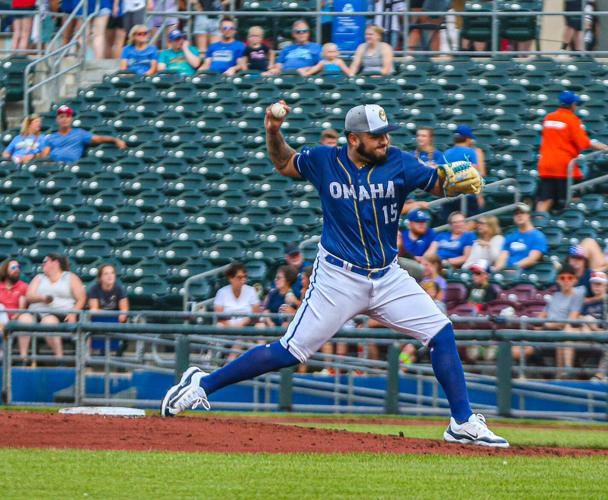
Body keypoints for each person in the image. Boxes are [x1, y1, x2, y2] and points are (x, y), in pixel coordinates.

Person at [160, 101, 508, 447]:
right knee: (290, 351)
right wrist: (273, 131)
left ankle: (462, 422)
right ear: (353, 139)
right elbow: (283, 162)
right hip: (338, 277)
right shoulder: (326, 160)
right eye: (376, 136)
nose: (385, 141)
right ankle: (201, 384)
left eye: (386, 134)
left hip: (387, 276)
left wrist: (454, 182)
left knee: (440, 331)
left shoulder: (399, 161)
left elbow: (436, 182)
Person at [536, 90, 608, 212]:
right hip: (564, 167)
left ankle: (539, 223)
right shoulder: (572, 119)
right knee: (574, 197)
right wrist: (601, 147)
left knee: (545, 199)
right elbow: (584, 143)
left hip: (546, 164)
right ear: (573, 105)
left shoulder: (548, 118)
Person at [17, 254, 86, 362]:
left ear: (56, 263)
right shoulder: (39, 278)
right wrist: (42, 298)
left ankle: (59, 358)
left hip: (61, 313)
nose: (43, 263)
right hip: (36, 312)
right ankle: (23, 358)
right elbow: (29, 296)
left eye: (46, 261)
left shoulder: (69, 277)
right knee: (24, 318)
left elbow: (81, 298)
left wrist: (73, 313)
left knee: (48, 321)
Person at [537, 264, 585, 377]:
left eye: (569, 278)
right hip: (547, 330)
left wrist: (549, 325)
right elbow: (541, 316)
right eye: (562, 278)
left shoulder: (577, 294)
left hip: (560, 331)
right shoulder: (555, 295)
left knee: (562, 337)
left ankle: (564, 373)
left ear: (575, 280)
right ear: (558, 280)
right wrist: (540, 325)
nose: (566, 281)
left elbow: (572, 320)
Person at [40, 106, 126, 164]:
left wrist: (115, 140)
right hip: (54, 166)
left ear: (71, 119)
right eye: (61, 117)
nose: (64, 119)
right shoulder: (51, 137)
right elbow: (44, 156)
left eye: (67, 116)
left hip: (71, 167)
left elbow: (99, 138)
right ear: (57, 120)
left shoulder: (79, 133)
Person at [214, 262, 261, 361]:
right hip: (228, 328)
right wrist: (233, 327)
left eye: (245, 277)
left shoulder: (251, 290)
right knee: (218, 327)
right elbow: (220, 318)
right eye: (239, 277)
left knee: (253, 330)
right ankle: (215, 360)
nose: (243, 280)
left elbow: (256, 314)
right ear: (231, 278)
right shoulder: (222, 292)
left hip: (247, 328)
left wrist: (243, 323)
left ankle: (230, 363)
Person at [492, 203, 547, 272]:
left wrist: (513, 268)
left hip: (523, 276)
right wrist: (498, 270)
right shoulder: (510, 236)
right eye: (516, 214)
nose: (519, 215)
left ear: (528, 216)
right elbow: (502, 256)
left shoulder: (538, 236)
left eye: (522, 213)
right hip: (506, 273)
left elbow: (532, 259)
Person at [87, 264, 129, 354]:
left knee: (122, 321)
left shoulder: (119, 289)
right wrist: (110, 314)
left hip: (115, 319)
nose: (110, 276)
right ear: (100, 277)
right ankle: (87, 361)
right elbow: (94, 310)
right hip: (99, 319)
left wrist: (120, 315)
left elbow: (124, 311)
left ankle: (118, 355)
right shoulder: (94, 289)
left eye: (112, 273)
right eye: (106, 274)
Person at [0, 259, 28, 331]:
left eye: (18, 267)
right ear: (5, 270)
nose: (17, 270)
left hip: (15, 320)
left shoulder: (23, 286)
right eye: (13, 268)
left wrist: (14, 318)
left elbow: (22, 309)